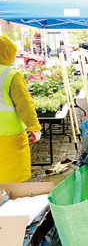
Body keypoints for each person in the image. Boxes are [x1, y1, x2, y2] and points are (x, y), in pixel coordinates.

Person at [0, 35, 42, 183]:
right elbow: (25, 105)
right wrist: (34, 127)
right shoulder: (10, 75)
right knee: (11, 176)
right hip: (9, 136)